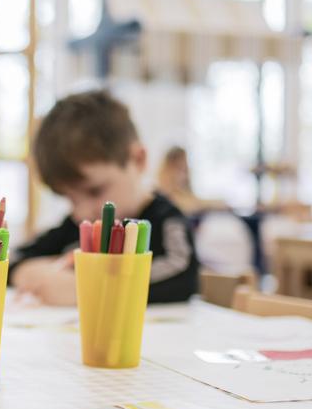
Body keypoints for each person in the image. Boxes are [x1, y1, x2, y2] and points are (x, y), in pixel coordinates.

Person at [10, 90, 199, 305]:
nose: (81, 212)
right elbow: (12, 258)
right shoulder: (78, 224)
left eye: (95, 191)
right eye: (70, 198)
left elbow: (184, 277)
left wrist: (89, 290)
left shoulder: (166, 219)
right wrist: (29, 273)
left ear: (138, 160)